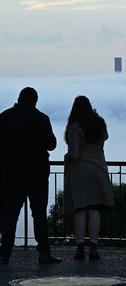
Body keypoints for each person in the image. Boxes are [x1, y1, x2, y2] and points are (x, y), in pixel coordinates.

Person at [0, 87, 62, 264]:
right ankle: (43, 253)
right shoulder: (41, 119)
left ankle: (5, 253)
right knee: (39, 214)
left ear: (19, 99)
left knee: (10, 214)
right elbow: (51, 145)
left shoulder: (4, 117)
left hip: (11, 173)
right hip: (37, 174)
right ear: (35, 101)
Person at [64, 96, 115, 261]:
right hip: (98, 169)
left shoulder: (75, 127)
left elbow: (74, 153)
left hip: (80, 171)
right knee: (94, 209)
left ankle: (80, 247)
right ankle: (93, 246)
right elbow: (105, 137)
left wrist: (67, 156)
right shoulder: (99, 123)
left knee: (80, 208)